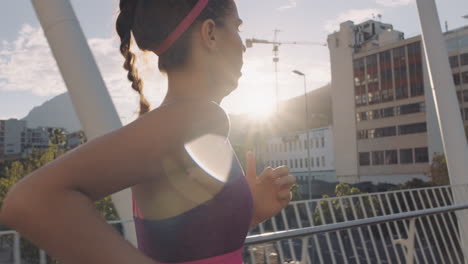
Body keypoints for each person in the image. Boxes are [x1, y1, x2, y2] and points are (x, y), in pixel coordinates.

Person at [0, 0, 296, 263]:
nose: (243, 44)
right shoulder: (199, 118)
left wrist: (250, 210)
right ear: (211, 33)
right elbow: (29, 201)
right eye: (238, 27)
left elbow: (186, 242)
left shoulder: (178, 122)